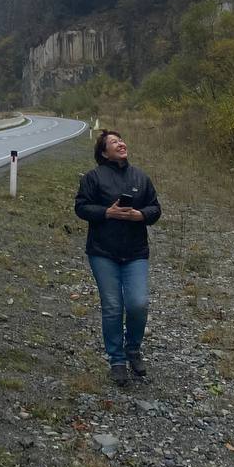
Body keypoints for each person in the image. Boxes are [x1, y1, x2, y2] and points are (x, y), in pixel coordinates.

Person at [74, 129, 161, 386]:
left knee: (138, 303)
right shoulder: (92, 178)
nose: (121, 143)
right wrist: (106, 212)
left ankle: (133, 348)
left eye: (121, 140)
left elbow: (156, 208)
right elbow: (81, 207)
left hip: (135, 252)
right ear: (104, 152)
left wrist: (141, 215)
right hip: (103, 252)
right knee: (112, 307)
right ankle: (117, 360)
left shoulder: (141, 177)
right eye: (113, 142)